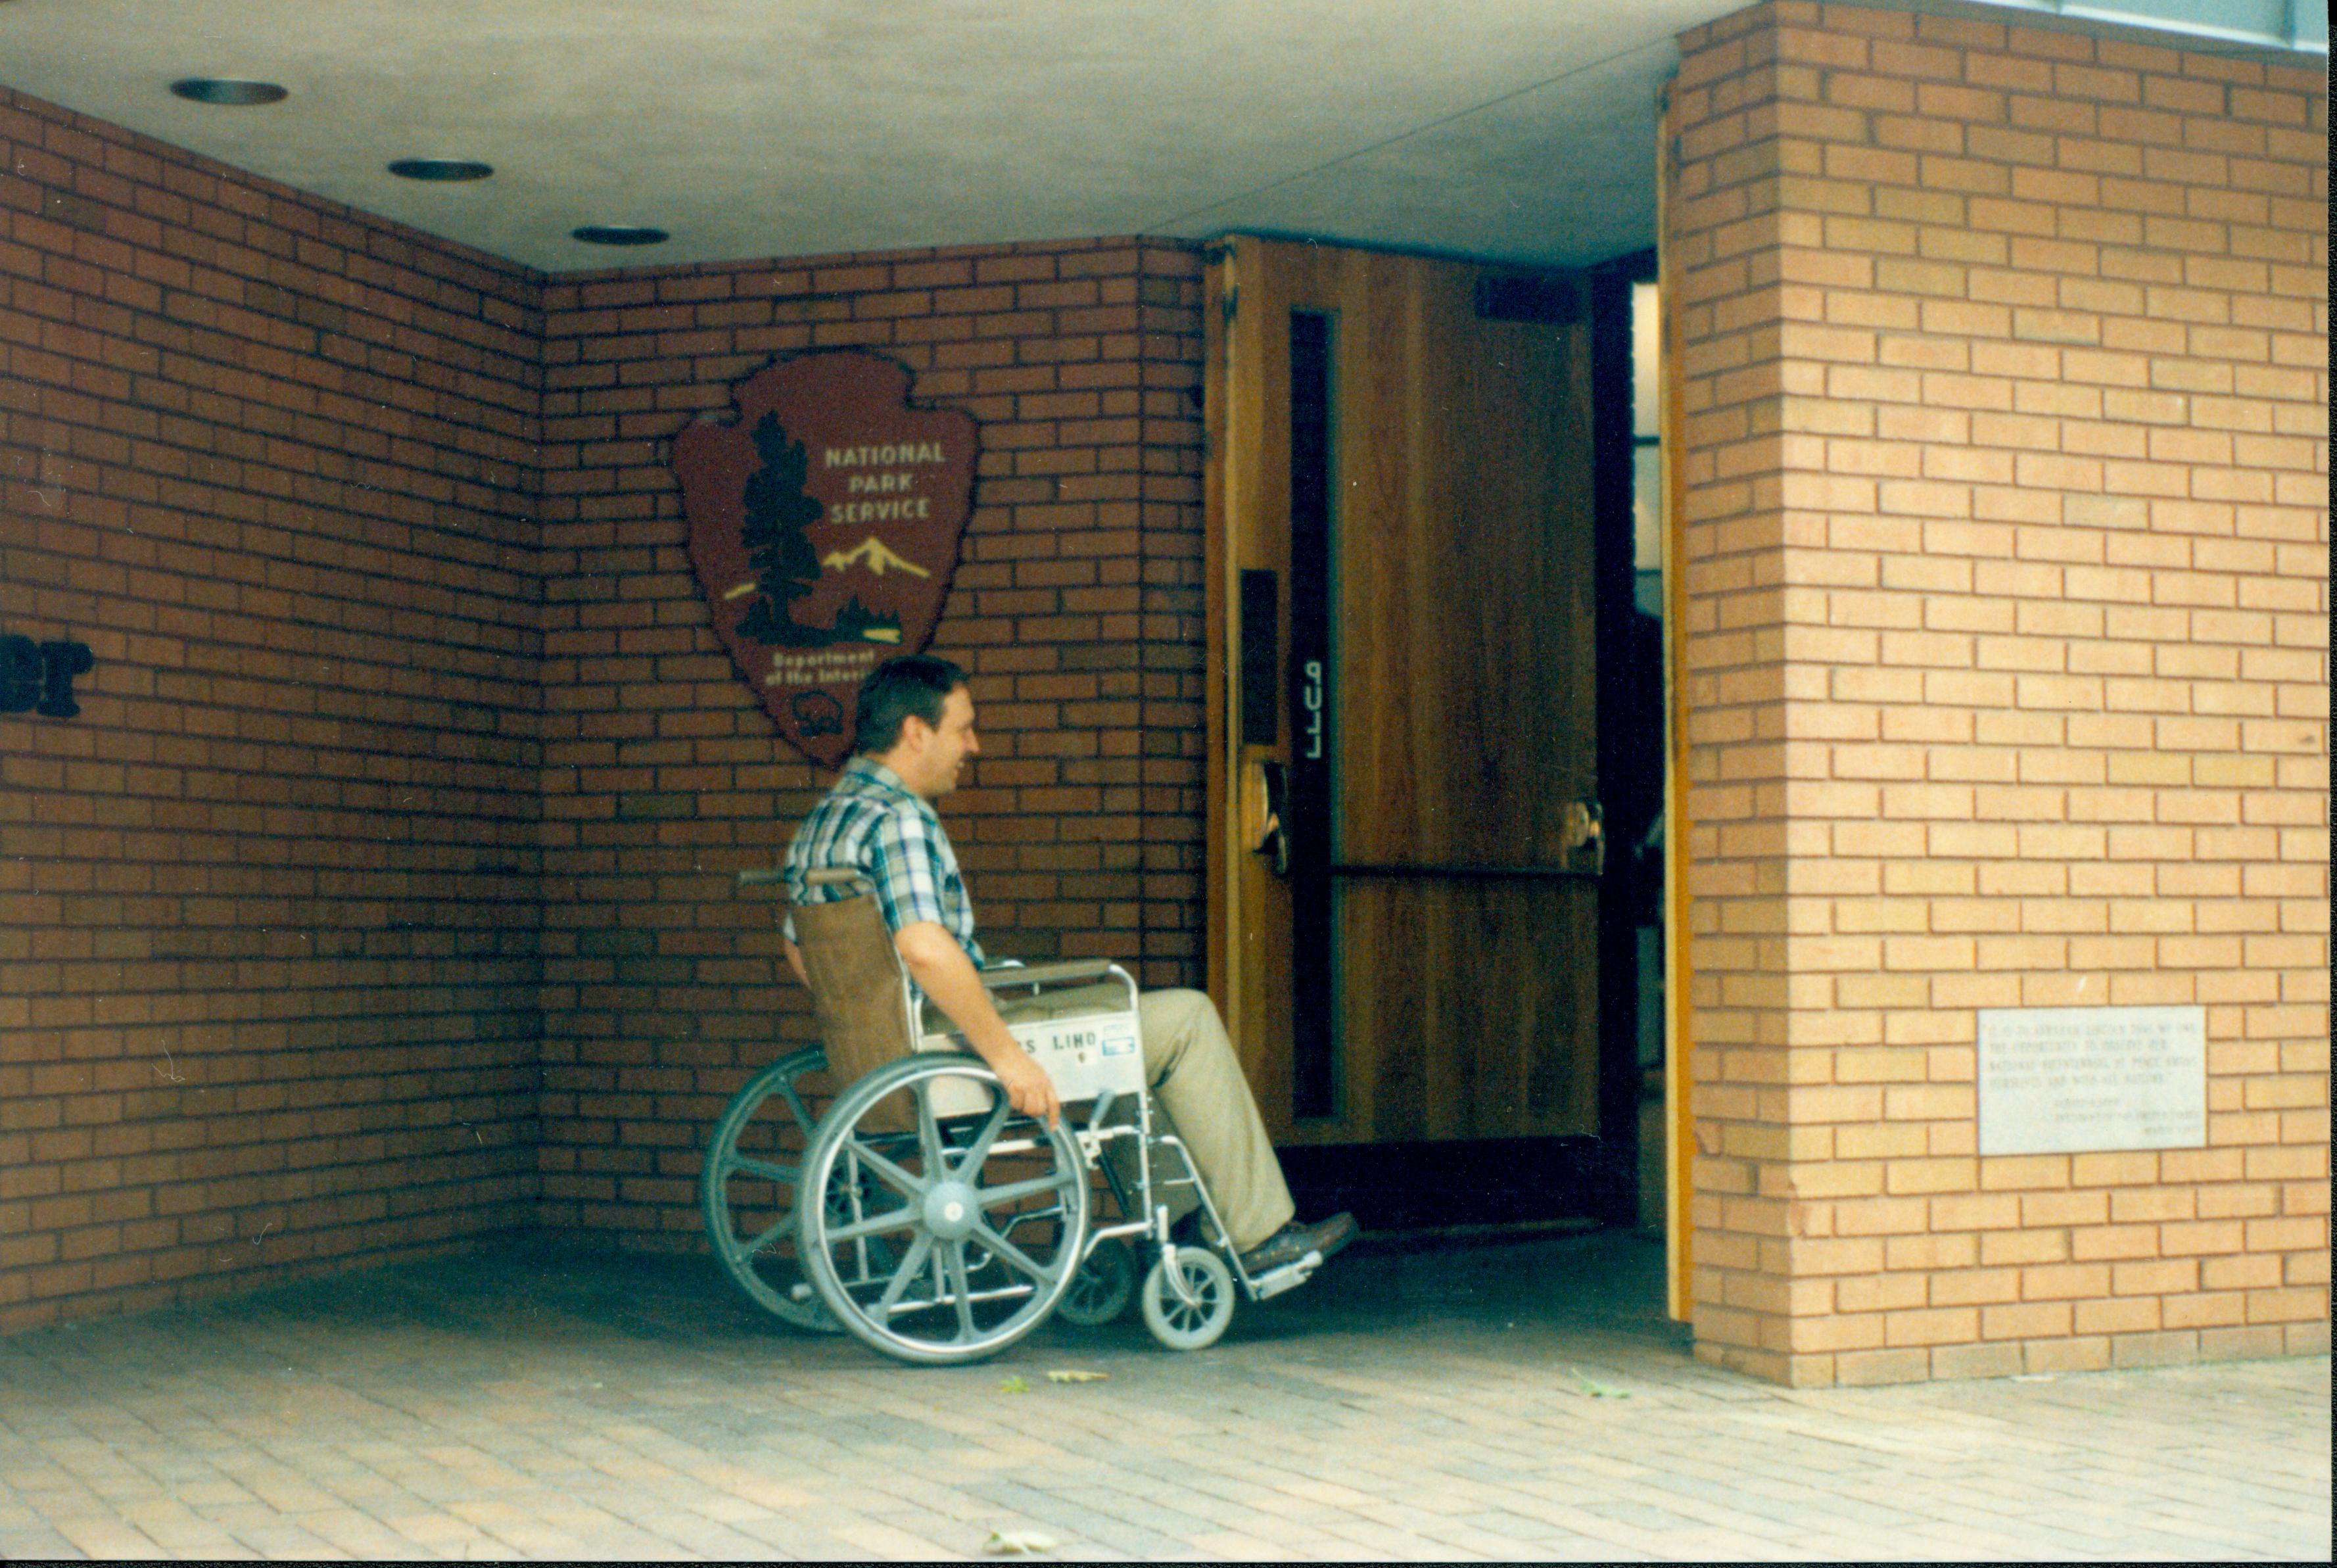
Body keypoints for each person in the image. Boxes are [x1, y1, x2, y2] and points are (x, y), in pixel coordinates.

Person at [782, 654, 1357, 1277]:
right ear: (916, 732)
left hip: (898, 1047)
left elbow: (799, 946)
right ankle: (1253, 1235)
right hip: (958, 1046)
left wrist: (879, 1018)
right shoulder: (898, 819)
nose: (973, 746)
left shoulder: (826, 819)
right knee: (1184, 1020)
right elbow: (924, 946)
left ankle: (1191, 1224)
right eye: (963, 728)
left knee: (1138, 1036)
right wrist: (1006, 1055)